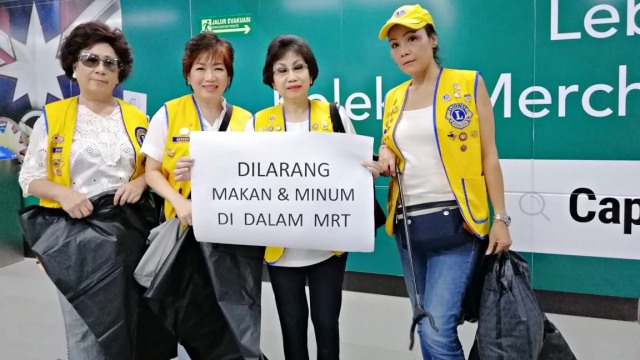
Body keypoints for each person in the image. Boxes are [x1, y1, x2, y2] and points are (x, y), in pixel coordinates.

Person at [376, 5, 513, 360]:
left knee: (436, 329)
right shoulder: (393, 98)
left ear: (432, 39)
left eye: (412, 39)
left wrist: (500, 218)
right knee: (426, 325)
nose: (403, 50)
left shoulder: (468, 84)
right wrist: (385, 153)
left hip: (458, 222)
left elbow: (489, 156)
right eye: (394, 45)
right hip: (409, 227)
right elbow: (391, 145)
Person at [18, 21, 157, 360]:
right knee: (85, 326)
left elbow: (155, 170)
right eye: (91, 60)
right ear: (73, 67)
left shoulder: (139, 119)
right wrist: (63, 194)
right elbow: (30, 177)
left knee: (133, 320)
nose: (101, 69)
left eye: (111, 63)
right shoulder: (52, 118)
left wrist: (140, 181)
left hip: (130, 232)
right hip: (75, 235)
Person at [246, 34, 379, 360]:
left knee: (326, 326)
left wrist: (368, 170)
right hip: (280, 246)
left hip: (328, 244)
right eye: (281, 70)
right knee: (292, 329)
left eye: (298, 67)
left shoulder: (334, 114)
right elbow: (244, 178)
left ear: (311, 73)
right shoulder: (258, 124)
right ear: (271, 80)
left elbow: (355, 167)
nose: (291, 77)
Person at [142, 32, 266, 360]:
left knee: (235, 312)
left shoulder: (245, 121)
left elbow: (253, 177)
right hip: (183, 235)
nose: (209, 77)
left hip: (232, 237)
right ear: (188, 74)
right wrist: (179, 200)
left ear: (229, 76)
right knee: (189, 313)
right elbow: (151, 172)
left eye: (219, 69)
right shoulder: (168, 114)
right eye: (201, 68)